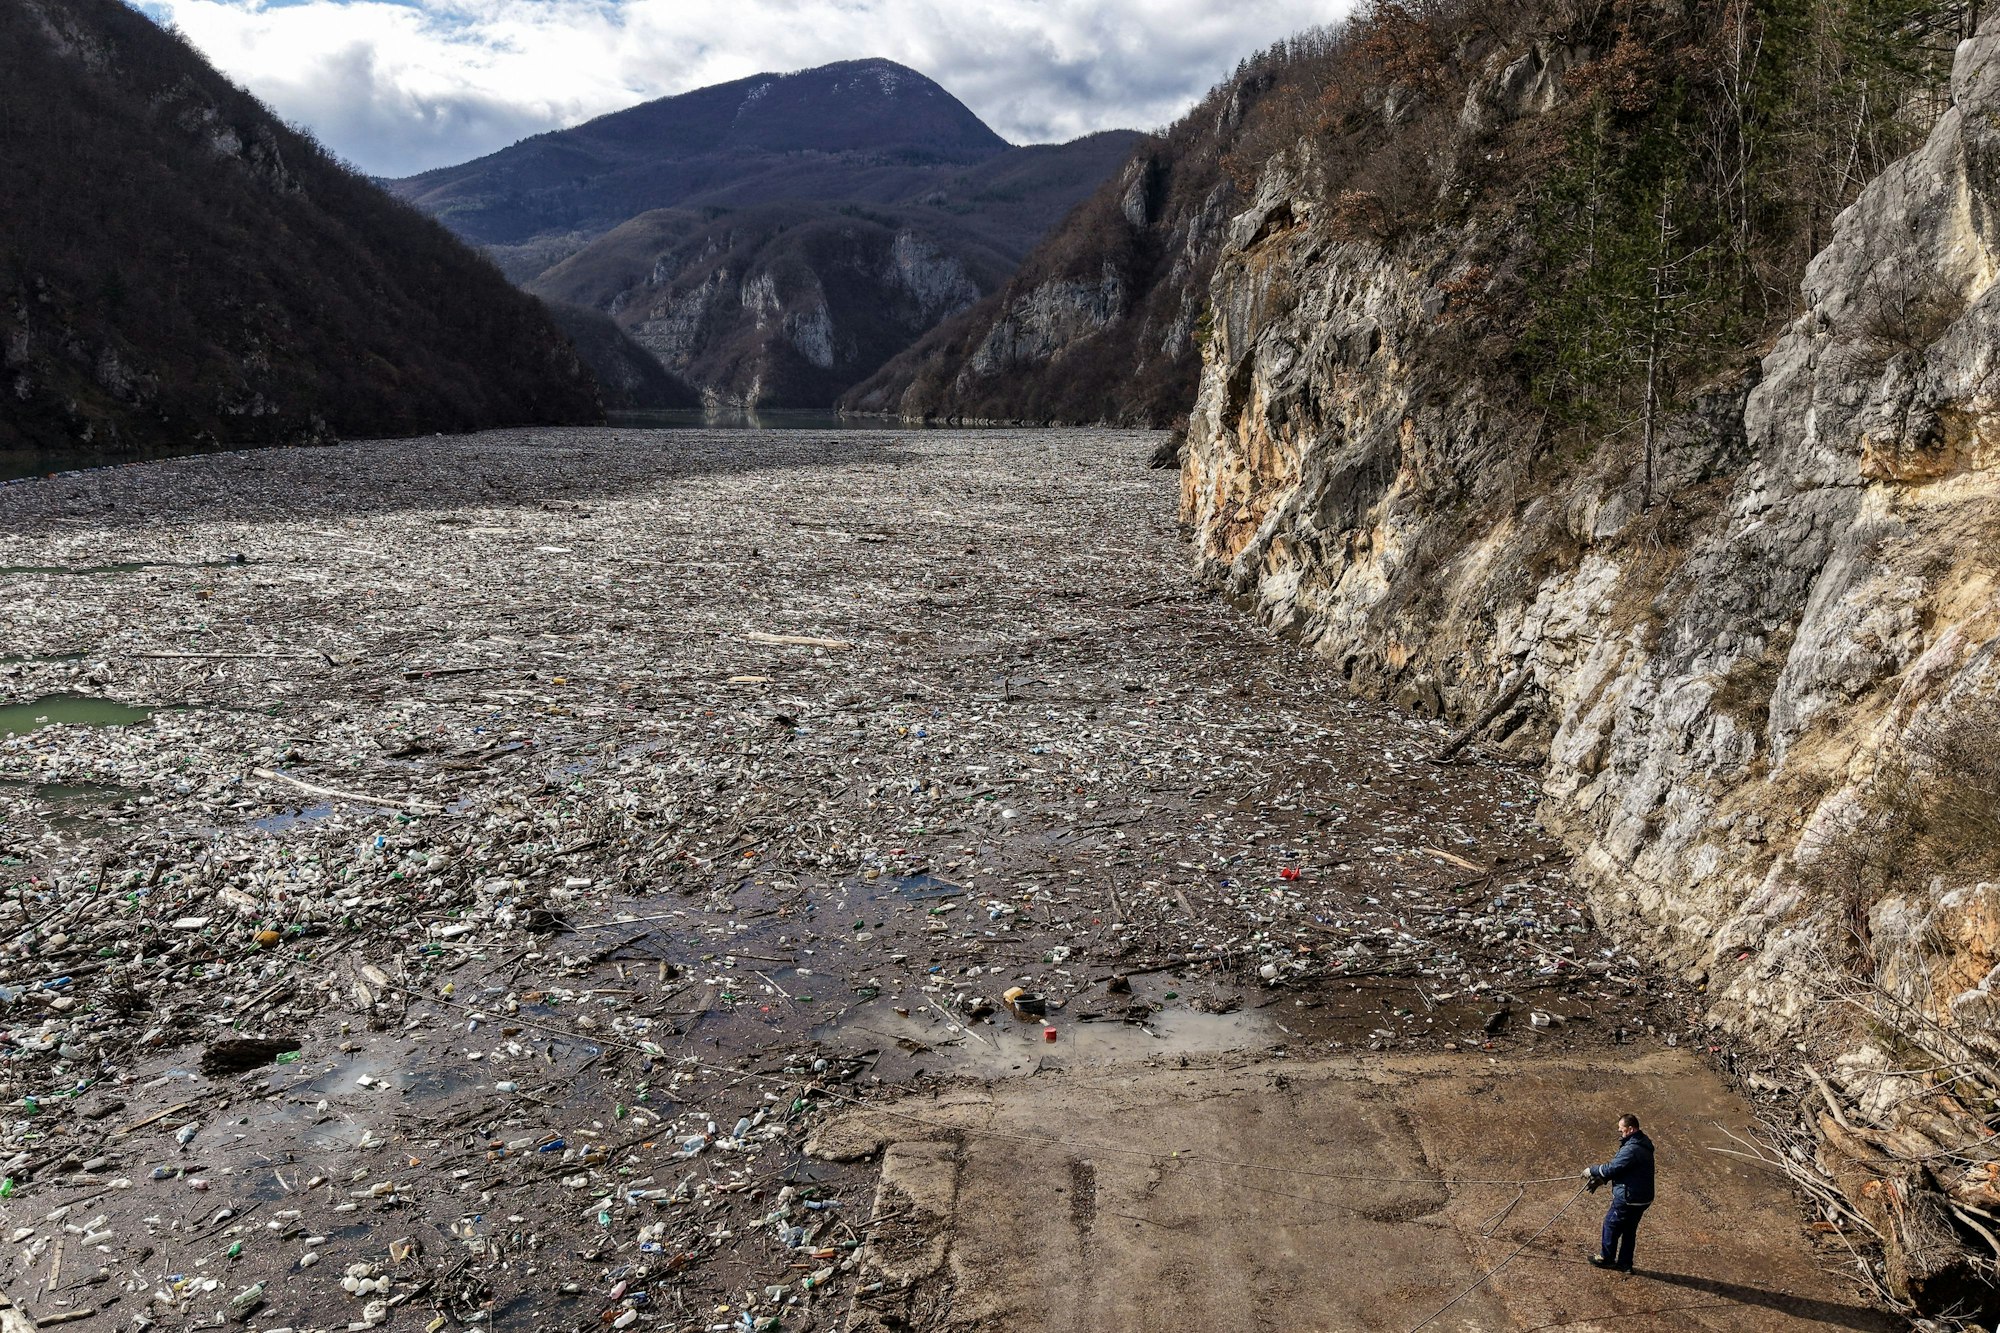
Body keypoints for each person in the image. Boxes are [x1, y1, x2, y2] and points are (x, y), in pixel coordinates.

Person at [1582, 1112, 1655, 1273]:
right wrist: (1604, 1180)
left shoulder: (1632, 1149)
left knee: (1611, 1224)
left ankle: (1607, 1258)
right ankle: (1625, 1263)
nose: (1620, 1132)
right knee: (1629, 1230)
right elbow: (1626, 1169)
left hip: (1629, 1197)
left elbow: (1614, 1167)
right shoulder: (1643, 1143)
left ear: (1630, 1129)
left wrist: (1592, 1170)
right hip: (1642, 1198)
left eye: (1621, 1130)